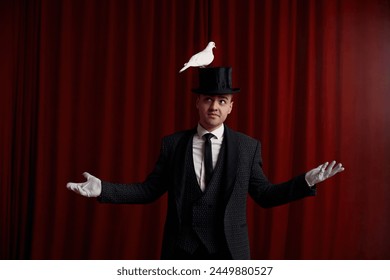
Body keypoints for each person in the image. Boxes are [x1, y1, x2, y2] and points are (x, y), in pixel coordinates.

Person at [67, 67, 344, 260]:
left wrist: (305, 181)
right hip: (181, 253)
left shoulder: (247, 148)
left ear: (230, 107)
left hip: (229, 254)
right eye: (208, 99)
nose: (214, 106)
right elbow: (148, 191)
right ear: (198, 103)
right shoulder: (173, 145)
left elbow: (265, 196)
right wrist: (103, 188)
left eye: (222, 100)